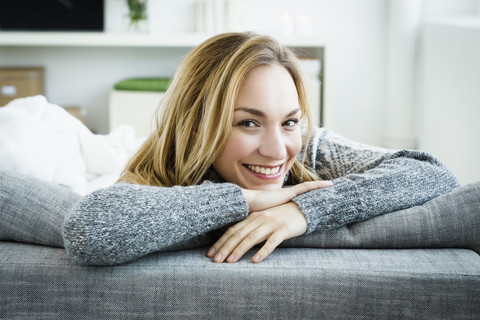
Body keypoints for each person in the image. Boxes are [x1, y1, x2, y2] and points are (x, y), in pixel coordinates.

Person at [62, 32, 458, 266]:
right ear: (198, 126)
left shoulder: (308, 151)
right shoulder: (159, 180)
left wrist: (303, 209)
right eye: (248, 122)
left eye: (288, 121)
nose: (276, 151)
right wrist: (247, 200)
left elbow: (432, 172)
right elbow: (89, 230)